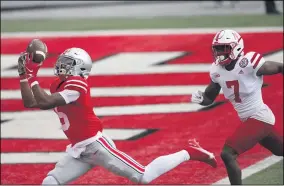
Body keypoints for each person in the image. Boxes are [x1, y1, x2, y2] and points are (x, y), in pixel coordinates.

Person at [18, 47, 217, 185]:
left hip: (97, 146)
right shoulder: (58, 84)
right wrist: (24, 77)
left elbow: (44, 102)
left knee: (143, 176)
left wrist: (32, 74)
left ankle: (189, 153)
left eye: (67, 63)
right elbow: (32, 102)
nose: (61, 65)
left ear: (79, 67)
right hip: (79, 150)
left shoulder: (77, 84)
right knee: (50, 182)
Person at [191, 29, 283, 185]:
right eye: (217, 48)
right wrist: (201, 99)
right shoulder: (216, 70)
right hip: (250, 119)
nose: (219, 52)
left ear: (236, 47)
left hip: (259, 117)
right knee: (281, 150)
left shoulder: (247, 62)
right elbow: (210, 97)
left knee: (228, 154)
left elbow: (280, 67)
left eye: (224, 48)